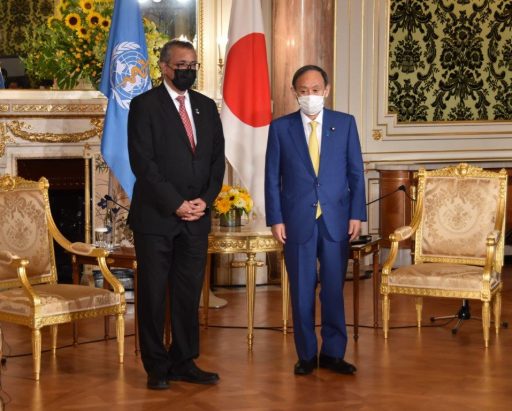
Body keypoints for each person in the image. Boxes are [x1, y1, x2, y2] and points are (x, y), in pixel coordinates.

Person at [128, 39, 225, 390]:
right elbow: (143, 163)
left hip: (197, 217)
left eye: (194, 65)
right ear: (165, 67)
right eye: (182, 65)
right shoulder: (144, 105)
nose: (189, 70)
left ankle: (185, 360)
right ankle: (157, 365)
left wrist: (205, 199)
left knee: (187, 292)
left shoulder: (205, 106)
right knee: (154, 294)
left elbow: (216, 159)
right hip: (156, 217)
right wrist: (176, 203)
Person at [265, 65, 366, 376]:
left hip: (336, 220)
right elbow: (272, 177)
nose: (310, 95)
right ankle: (307, 355)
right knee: (302, 290)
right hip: (296, 221)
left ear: (327, 90)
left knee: (334, 289)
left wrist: (356, 214)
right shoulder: (281, 128)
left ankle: (334, 353)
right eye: (303, 91)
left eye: (316, 89)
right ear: (295, 93)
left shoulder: (345, 124)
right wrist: (275, 218)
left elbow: (356, 173)